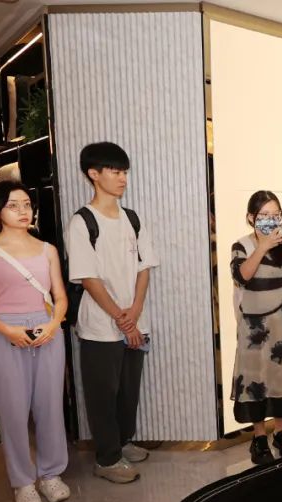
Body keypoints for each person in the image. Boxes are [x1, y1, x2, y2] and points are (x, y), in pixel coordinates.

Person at [0, 182, 70, 502]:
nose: (23, 211)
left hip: (48, 332)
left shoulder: (47, 249)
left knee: (50, 406)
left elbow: (60, 297)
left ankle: (51, 474)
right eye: (13, 205)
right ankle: (23, 482)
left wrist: (53, 324)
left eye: (26, 204)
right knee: (12, 411)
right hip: (5, 334)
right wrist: (6, 329)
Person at [66, 142, 160, 484]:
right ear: (93, 174)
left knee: (128, 389)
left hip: (135, 319)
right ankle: (106, 459)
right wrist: (122, 318)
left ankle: (122, 442)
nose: (122, 178)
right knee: (102, 393)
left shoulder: (132, 219)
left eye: (124, 172)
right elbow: (88, 278)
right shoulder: (82, 222)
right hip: (100, 326)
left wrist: (134, 312)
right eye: (115, 171)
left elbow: (144, 268)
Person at [231, 190, 282, 464]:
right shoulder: (242, 245)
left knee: (281, 378)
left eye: (276, 214)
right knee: (255, 379)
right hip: (253, 329)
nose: (271, 219)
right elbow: (242, 276)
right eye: (264, 215)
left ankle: (280, 433)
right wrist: (263, 246)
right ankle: (259, 437)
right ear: (251, 217)